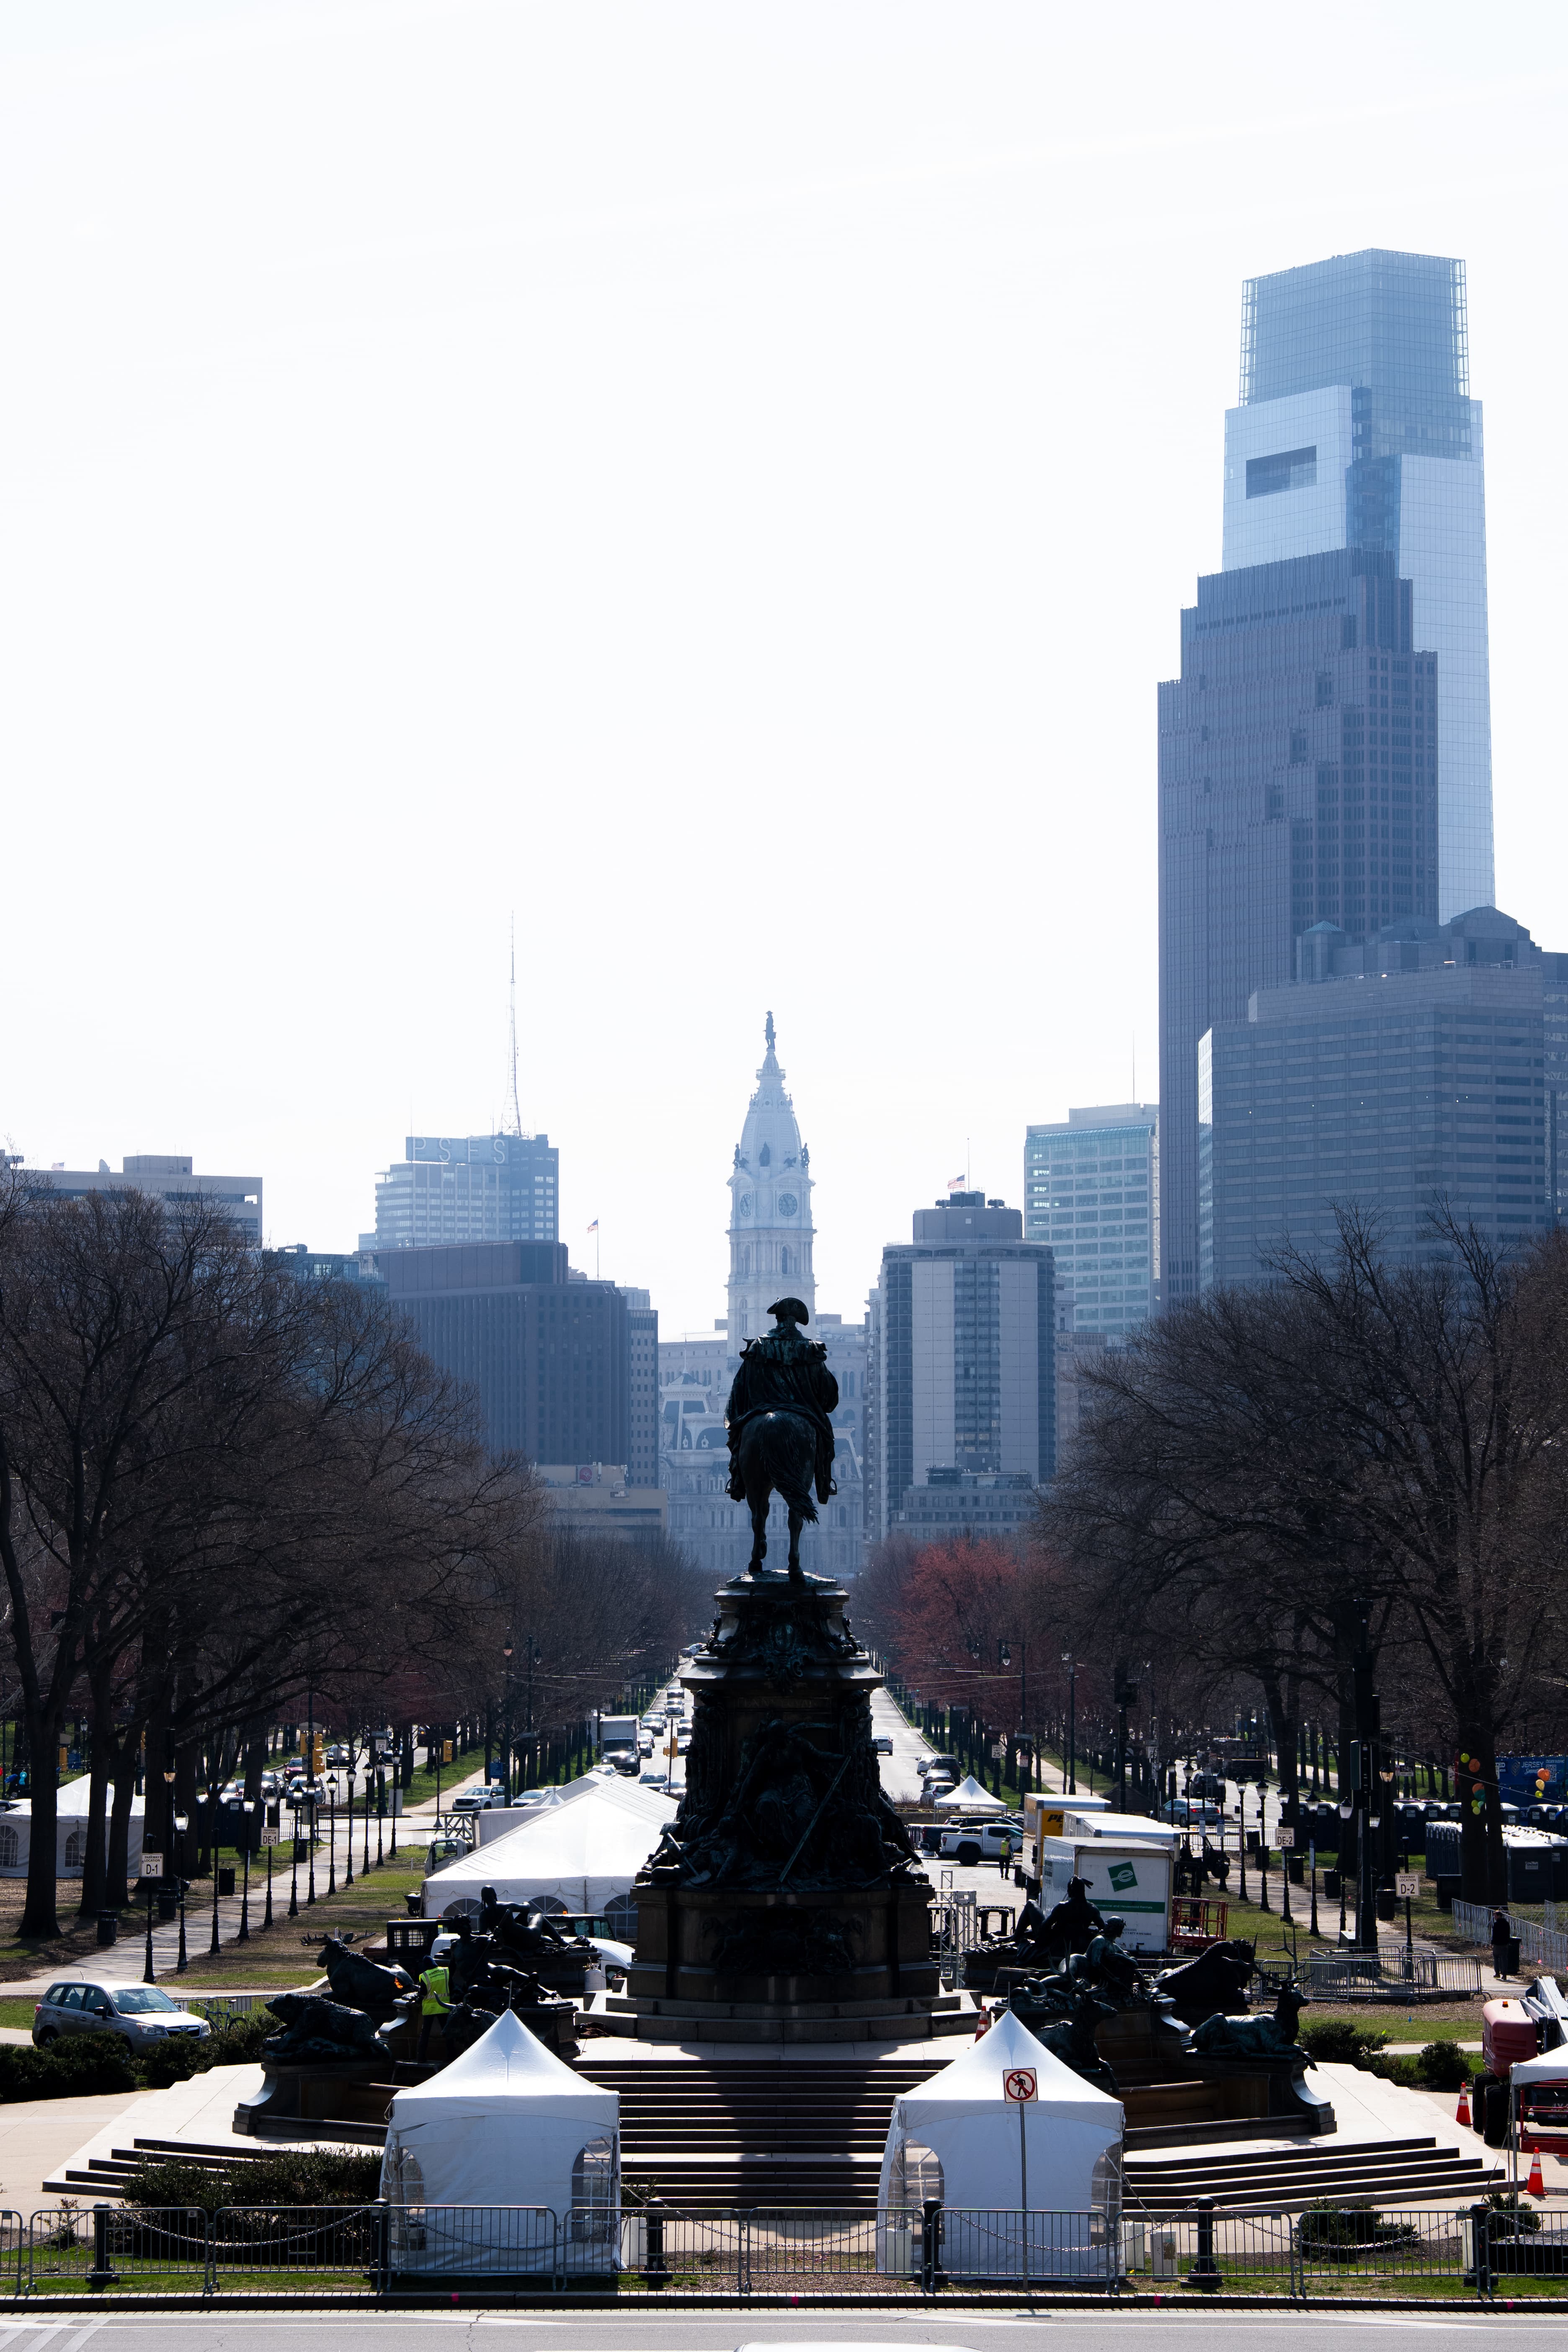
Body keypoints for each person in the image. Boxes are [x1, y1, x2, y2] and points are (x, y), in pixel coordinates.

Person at [416, 1952, 453, 2061]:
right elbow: (451, 1987)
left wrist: (418, 1996)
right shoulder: (446, 1971)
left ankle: (421, 2058)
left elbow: (423, 1993)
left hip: (430, 2009)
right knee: (448, 2033)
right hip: (444, 2007)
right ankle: (451, 2056)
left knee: (425, 2034)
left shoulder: (425, 1976)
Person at [1491, 1908, 1513, 1982]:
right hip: (1505, 1944)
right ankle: (1504, 1974)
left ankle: (1497, 1973)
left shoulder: (1496, 1924)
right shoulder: (1506, 1923)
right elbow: (1508, 1934)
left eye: (1495, 1916)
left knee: (1496, 1958)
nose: (1494, 1917)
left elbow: (1494, 1935)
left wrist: (1492, 1943)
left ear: (1499, 1916)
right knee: (1504, 1959)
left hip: (1497, 1944)